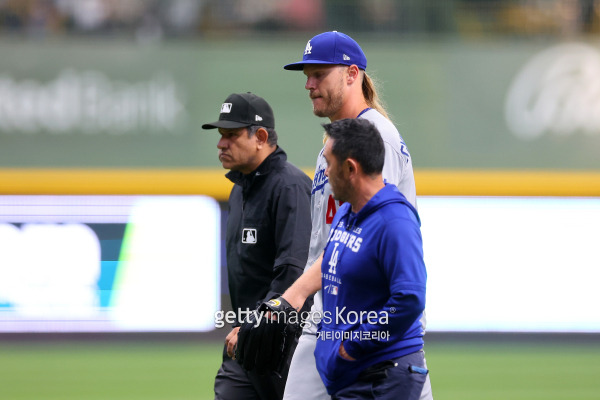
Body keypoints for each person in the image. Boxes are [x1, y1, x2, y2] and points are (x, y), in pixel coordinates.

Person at [280, 31, 433, 399]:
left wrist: (293, 297)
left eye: (319, 73)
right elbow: (327, 243)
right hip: (331, 317)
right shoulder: (332, 146)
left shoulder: (376, 138)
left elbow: (372, 232)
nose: (308, 83)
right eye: (306, 74)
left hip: (373, 326)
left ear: (352, 74)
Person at [202, 92, 312, 400]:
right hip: (245, 346)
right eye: (221, 136)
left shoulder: (289, 187)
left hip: (284, 347)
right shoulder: (240, 190)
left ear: (261, 136)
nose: (221, 143)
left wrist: (256, 325)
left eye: (232, 135)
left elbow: (293, 271)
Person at [314, 118, 428, 399]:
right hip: (353, 376)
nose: (325, 173)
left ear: (351, 168)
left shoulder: (395, 221)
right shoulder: (345, 213)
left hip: (383, 375)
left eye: (329, 164)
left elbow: (409, 298)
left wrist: (352, 345)